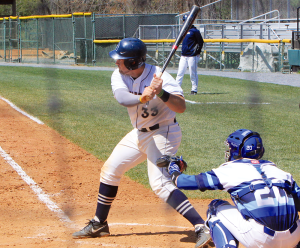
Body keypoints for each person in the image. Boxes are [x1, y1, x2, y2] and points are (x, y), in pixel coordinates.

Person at [72, 37, 211, 248]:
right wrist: (143, 97)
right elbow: (122, 98)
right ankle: (100, 224)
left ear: (134, 62)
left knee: (160, 184)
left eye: (121, 60)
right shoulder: (119, 75)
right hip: (139, 133)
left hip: (164, 133)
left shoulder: (161, 77)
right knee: (110, 169)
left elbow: (181, 106)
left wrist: (161, 93)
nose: (116, 62)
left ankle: (202, 226)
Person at [165, 128, 300, 248]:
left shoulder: (230, 170)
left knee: (215, 207)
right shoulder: (281, 172)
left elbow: (181, 182)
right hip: (293, 238)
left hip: (260, 239)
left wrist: (173, 167)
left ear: (237, 150)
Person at [176, 14, 204, 95]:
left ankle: (194, 89)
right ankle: (177, 89)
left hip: (192, 56)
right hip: (183, 55)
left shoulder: (194, 31)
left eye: (185, 20)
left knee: (192, 73)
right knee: (180, 73)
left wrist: (197, 52)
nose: (184, 22)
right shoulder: (182, 30)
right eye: (184, 20)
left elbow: (200, 42)